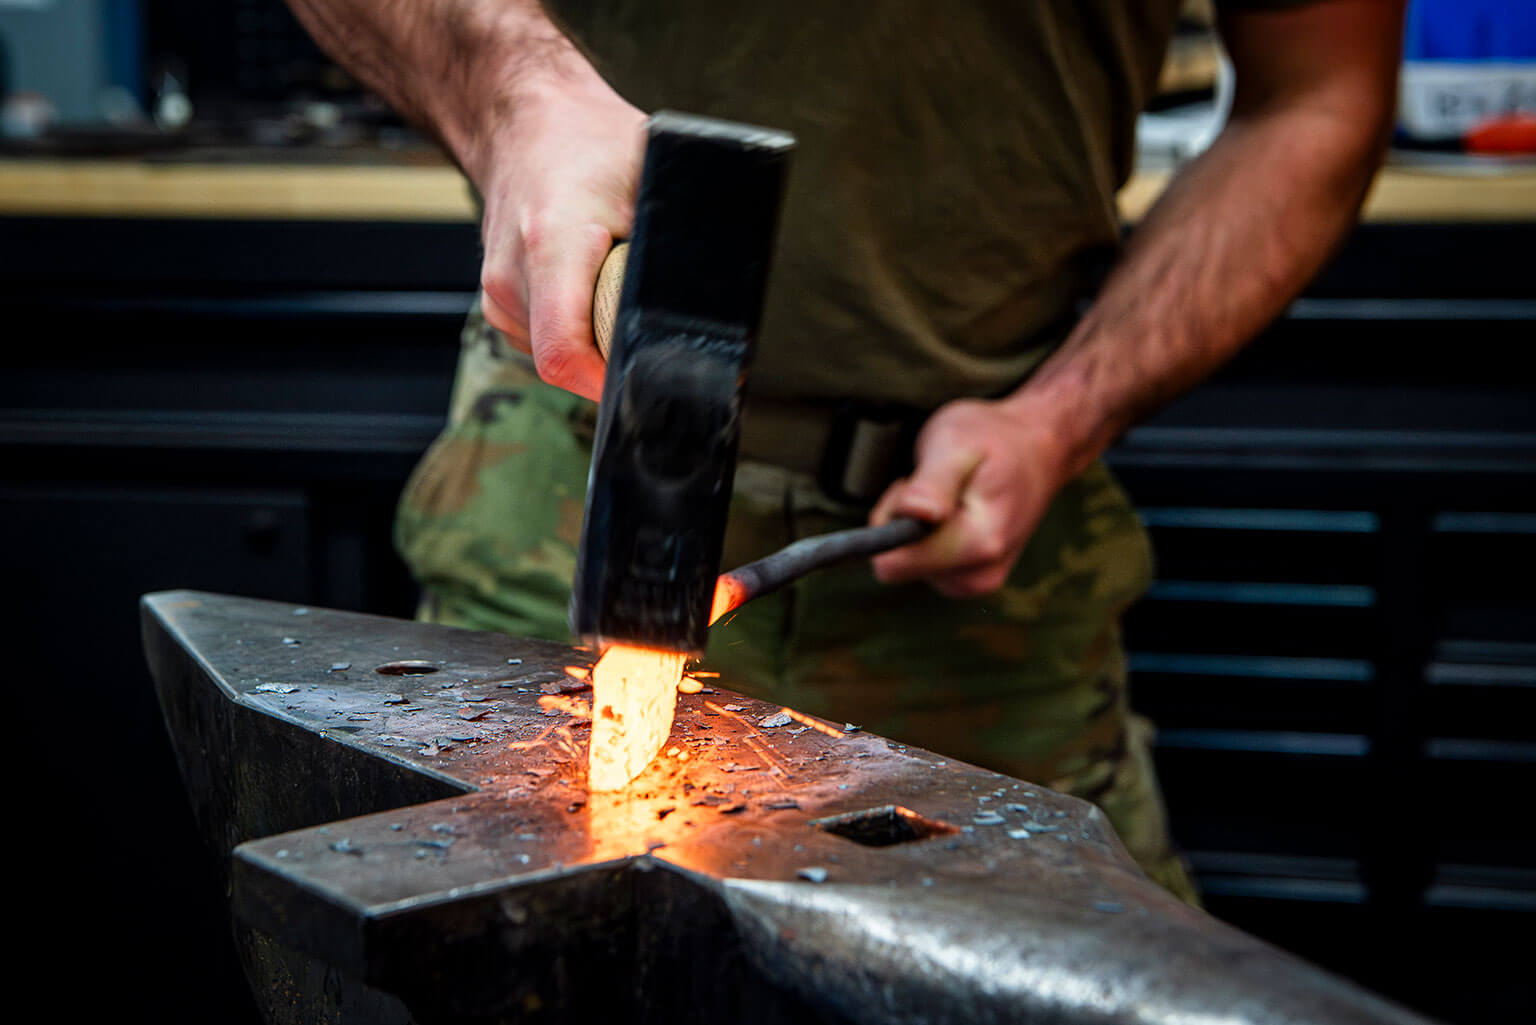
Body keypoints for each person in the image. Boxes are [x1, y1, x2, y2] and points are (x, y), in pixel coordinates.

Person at [285, 0, 1405, 902]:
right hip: (560, 478)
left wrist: (1065, 410)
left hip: (985, 566)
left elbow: (1317, 92)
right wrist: (512, 91)